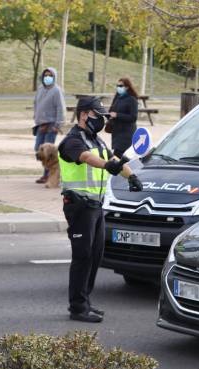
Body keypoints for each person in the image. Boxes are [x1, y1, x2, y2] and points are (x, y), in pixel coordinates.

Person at [58, 97, 144, 323]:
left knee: (95, 256)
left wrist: (131, 176)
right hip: (79, 206)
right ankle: (77, 307)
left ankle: (85, 301)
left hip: (96, 207)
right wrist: (108, 165)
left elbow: (114, 159)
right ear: (85, 114)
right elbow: (87, 158)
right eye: (99, 115)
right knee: (82, 256)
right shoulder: (73, 141)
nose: (103, 120)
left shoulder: (97, 141)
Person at [33, 67, 66, 184]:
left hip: (51, 125)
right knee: (38, 148)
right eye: (45, 75)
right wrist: (36, 119)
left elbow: (60, 108)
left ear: (54, 77)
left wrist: (58, 125)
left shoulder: (57, 90)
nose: (47, 77)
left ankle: (48, 175)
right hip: (40, 125)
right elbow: (36, 104)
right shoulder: (40, 89)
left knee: (49, 152)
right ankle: (48, 172)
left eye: (50, 75)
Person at [108, 77, 139, 154]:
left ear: (127, 87)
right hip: (116, 132)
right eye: (117, 85)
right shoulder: (117, 98)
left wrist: (117, 115)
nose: (118, 87)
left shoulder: (132, 100)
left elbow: (133, 117)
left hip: (126, 133)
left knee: (119, 156)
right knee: (117, 156)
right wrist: (109, 115)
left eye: (121, 86)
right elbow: (111, 110)